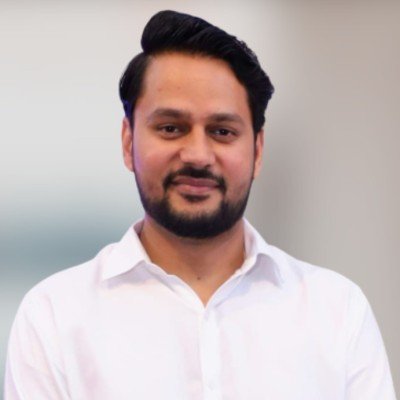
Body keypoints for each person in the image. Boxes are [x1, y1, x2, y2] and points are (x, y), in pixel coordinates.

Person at [4, 10, 396, 400]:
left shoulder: (337, 313)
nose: (197, 155)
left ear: (258, 151)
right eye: (170, 128)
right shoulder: (55, 318)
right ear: (128, 142)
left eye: (222, 131)